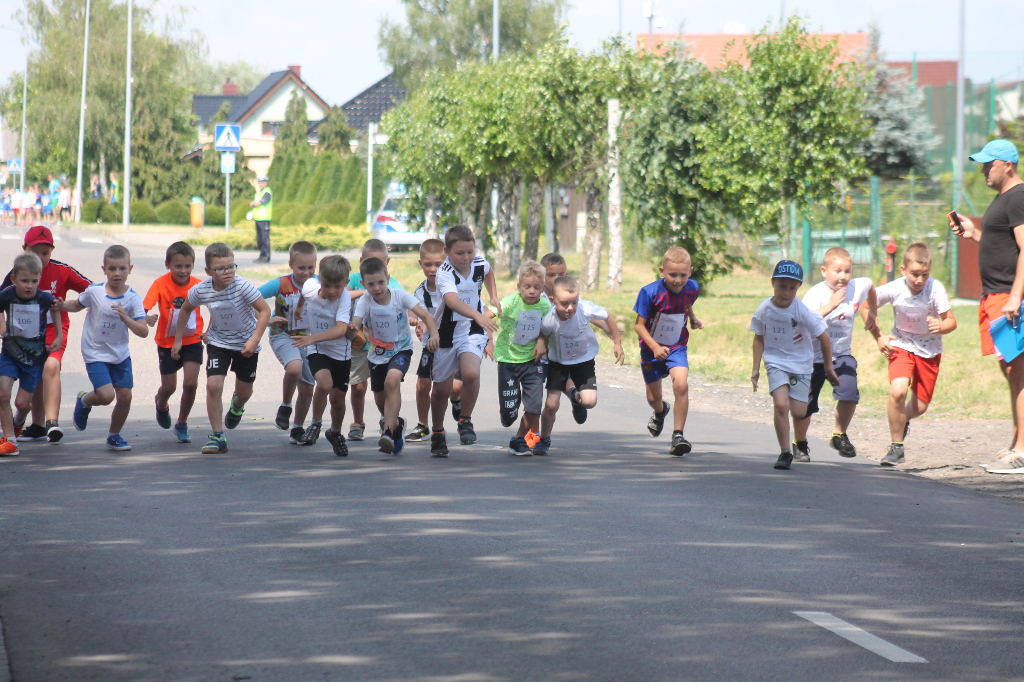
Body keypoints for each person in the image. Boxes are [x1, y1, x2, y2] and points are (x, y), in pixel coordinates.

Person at [951, 139, 1024, 470]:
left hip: (1008, 296)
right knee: (1012, 372)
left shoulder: (1018, 196)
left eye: (988, 164)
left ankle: (1022, 451)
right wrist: (974, 234)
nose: (983, 171)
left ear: (1007, 165)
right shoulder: (1005, 198)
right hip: (996, 295)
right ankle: (1017, 441)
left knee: (1017, 372)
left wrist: (1015, 296)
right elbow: (1004, 245)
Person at [171, 243, 271, 454]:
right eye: (220, 269)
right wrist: (178, 340)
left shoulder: (242, 286)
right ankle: (218, 436)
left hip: (246, 344)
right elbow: (186, 309)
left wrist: (254, 340)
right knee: (213, 385)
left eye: (231, 267)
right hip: (219, 343)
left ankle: (237, 406)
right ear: (208, 271)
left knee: (244, 392)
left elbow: (264, 310)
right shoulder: (201, 290)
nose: (227, 272)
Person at [0, 226, 92, 443]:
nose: (40, 258)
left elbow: (93, 291)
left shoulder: (62, 271)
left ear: (52, 251)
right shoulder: (16, 274)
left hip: (51, 330)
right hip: (22, 337)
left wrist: (68, 305)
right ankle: (38, 425)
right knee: (36, 375)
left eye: (45, 253)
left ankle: (52, 423)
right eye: (35, 252)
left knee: (50, 366)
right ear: (24, 249)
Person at [750, 260, 838, 471]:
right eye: (782, 286)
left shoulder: (802, 311)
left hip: (800, 364)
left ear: (798, 287)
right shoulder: (765, 309)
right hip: (775, 362)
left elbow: (824, 338)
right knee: (781, 404)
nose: (786, 292)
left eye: (792, 288)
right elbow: (758, 338)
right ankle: (785, 452)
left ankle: (796, 421)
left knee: (799, 412)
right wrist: (755, 368)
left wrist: (828, 368)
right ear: (773, 283)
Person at [873, 243, 956, 467]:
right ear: (903, 269)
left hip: (929, 351)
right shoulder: (895, 288)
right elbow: (867, 304)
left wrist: (942, 326)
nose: (920, 280)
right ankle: (896, 447)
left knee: (919, 407)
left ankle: (902, 419)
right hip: (901, 345)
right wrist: (879, 335)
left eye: (924, 274)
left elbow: (951, 321)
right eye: (914, 274)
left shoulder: (935, 288)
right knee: (898, 391)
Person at [791, 247, 878, 461]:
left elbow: (870, 286)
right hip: (812, 358)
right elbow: (804, 321)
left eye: (847, 271)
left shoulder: (856, 286)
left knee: (849, 392)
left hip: (841, 355)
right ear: (824, 271)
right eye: (837, 271)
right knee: (805, 404)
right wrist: (830, 306)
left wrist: (872, 312)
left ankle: (839, 435)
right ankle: (799, 443)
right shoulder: (816, 294)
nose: (843, 276)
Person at [64, 245, 148, 451]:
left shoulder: (133, 299)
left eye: (122, 268)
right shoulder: (95, 292)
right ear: (104, 269)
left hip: (120, 354)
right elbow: (77, 305)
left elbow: (143, 331)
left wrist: (126, 318)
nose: (117, 273)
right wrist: (60, 305)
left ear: (130, 269)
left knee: (125, 397)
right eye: (112, 268)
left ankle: (114, 435)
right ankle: (85, 400)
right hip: (95, 352)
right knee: (106, 396)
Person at [352, 257, 438, 455]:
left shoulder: (400, 296)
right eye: (371, 284)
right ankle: (396, 424)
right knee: (380, 399)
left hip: (401, 349)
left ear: (388, 279)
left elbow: (426, 315)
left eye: (381, 282)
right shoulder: (365, 301)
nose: (377, 288)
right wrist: (352, 328)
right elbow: (356, 322)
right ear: (363, 284)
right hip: (376, 355)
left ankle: (388, 433)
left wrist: (434, 334)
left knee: (392, 381)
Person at [428, 225, 500, 457]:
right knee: (441, 390)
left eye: (470, 251)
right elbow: (452, 302)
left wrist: (493, 296)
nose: (466, 257)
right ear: (447, 252)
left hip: (471, 330)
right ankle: (437, 432)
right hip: (446, 334)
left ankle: (465, 420)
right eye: (460, 253)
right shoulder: (445, 273)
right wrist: (478, 314)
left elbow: (488, 271)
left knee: (470, 373)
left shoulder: (479, 264)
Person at [535, 275, 624, 455]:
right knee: (551, 405)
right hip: (559, 363)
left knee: (589, 402)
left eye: (574, 302)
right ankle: (544, 439)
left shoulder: (585, 309)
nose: (570, 308)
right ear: (553, 301)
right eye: (564, 304)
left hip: (584, 361)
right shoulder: (550, 319)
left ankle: (576, 398)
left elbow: (608, 315)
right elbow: (543, 333)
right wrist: (541, 343)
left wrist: (617, 342)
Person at [633, 246, 702, 456]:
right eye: (672, 275)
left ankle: (678, 435)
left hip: (676, 345)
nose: (678, 280)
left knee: (681, 384)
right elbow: (639, 326)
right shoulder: (650, 292)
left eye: (683, 275)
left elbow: (686, 303)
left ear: (690, 272)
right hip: (651, 349)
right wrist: (654, 347)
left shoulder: (692, 288)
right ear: (662, 271)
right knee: (653, 398)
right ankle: (660, 411)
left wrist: (692, 318)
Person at [291, 255, 358, 456]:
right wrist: (300, 307)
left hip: (340, 353)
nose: (331, 291)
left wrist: (312, 337)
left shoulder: (344, 298)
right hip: (318, 349)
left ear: (346, 283)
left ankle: (335, 433)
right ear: (319, 279)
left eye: (338, 286)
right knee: (323, 384)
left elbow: (340, 330)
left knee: (338, 401)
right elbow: (304, 293)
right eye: (327, 285)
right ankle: (316, 424)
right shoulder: (310, 287)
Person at [143, 242, 205, 444]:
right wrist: (145, 317)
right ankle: (161, 403)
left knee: (191, 383)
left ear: (193, 264)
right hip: (167, 343)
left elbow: (215, 305)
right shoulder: (160, 284)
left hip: (192, 340)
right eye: (178, 266)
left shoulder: (198, 285)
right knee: (169, 387)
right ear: (167, 265)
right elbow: (143, 308)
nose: (183, 271)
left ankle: (182, 423)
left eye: (188, 266)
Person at [0, 253, 62, 455]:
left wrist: (59, 335)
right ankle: (10, 441)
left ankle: (18, 421)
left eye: (34, 281)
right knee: (2, 394)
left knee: (22, 403)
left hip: (34, 359)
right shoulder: (7, 295)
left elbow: (55, 308)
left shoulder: (43, 297)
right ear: (14, 279)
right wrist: (2, 324)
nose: (29, 286)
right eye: (24, 281)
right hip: (9, 354)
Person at [259, 241, 317, 444]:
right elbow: (251, 297)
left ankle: (298, 429)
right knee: (294, 368)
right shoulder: (281, 284)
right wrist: (266, 319)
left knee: (308, 388)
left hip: (310, 338)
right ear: (291, 264)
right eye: (301, 268)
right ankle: (285, 405)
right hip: (283, 335)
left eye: (311, 267)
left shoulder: (319, 283)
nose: (306, 273)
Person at [346, 239, 403, 441]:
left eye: (380, 262)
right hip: (359, 341)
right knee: (358, 385)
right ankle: (358, 422)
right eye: (369, 261)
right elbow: (342, 294)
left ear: (387, 263)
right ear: (361, 261)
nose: (374, 267)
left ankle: (387, 418)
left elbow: (403, 301)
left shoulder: (392, 283)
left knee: (385, 386)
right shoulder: (355, 279)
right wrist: (366, 291)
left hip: (384, 345)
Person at [494, 260, 552, 455]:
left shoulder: (545, 306)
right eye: (527, 287)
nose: (532, 291)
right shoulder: (511, 302)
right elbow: (489, 313)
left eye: (537, 287)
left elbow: (548, 328)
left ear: (542, 288)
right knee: (509, 413)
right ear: (519, 286)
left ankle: (518, 440)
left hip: (532, 362)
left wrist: (542, 341)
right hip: (508, 360)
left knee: (535, 406)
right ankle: (508, 414)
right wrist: (484, 325)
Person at [409, 238, 446, 442]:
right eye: (428, 264)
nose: (433, 269)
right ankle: (423, 425)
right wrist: (419, 325)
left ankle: (457, 400)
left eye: (438, 264)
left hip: (453, 343)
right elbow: (420, 315)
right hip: (431, 344)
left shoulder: (452, 287)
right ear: (420, 263)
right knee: (423, 384)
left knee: (453, 387)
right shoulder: (420, 292)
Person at [249, 177, 273, 263]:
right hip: (258, 218)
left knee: (264, 239)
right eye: (259, 182)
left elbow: (260, 203)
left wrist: (255, 204)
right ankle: (261, 256)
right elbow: (253, 202)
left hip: (264, 218)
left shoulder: (267, 192)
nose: (260, 184)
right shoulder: (259, 192)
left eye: (262, 182)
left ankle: (266, 256)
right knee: (259, 239)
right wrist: (253, 203)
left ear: (266, 183)